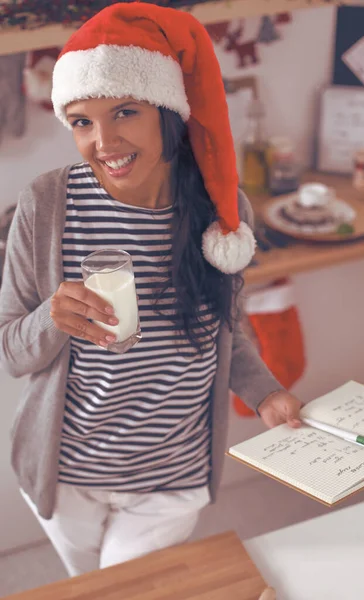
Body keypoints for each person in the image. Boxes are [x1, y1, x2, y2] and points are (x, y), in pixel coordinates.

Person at [0, 2, 302, 578]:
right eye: (83, 121)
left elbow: (226, 327)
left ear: (167, 111)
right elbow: (10, 351)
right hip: (68, 475)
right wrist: (51, 317)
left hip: (172, 478)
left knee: (126, 589)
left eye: (125, 112)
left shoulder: (221, 207)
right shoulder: (46, 205)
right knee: (89, 587)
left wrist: (265, 393)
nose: (104, 141)